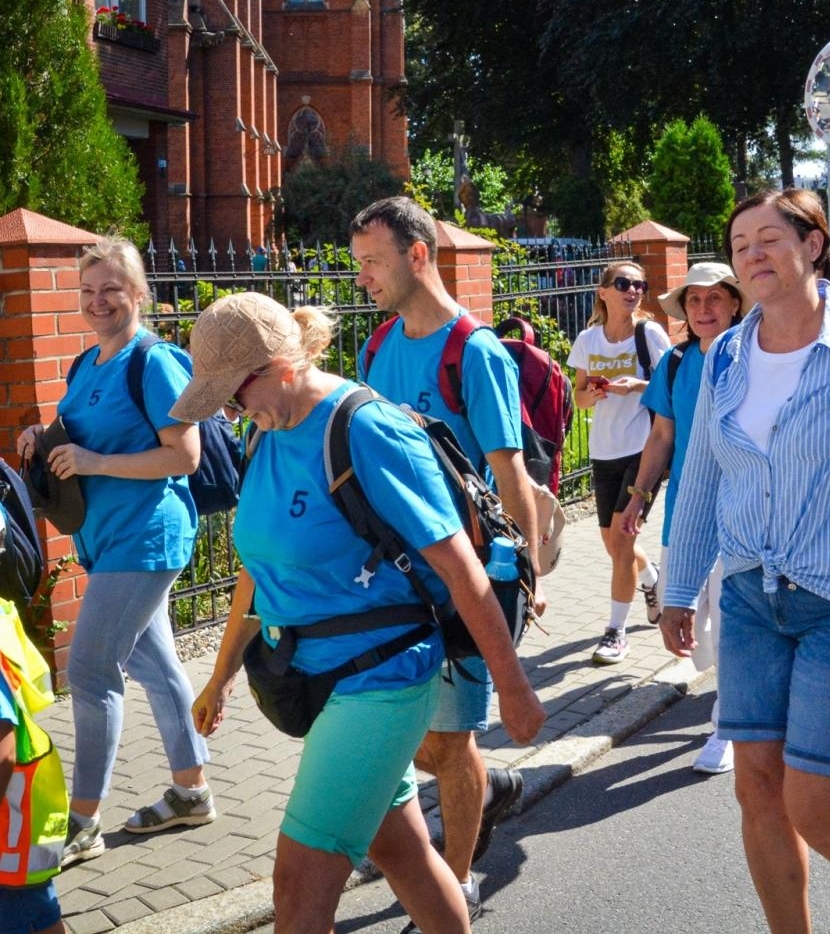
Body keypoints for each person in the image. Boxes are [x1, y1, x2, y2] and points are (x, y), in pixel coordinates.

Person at [179, 293, 545, 934]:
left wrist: (513, 687)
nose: (232, 412)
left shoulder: (366, 429)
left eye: (234, 395)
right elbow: (258, 568)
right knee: (400, 851)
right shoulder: (265, 431)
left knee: (295, 889)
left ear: (279, 366)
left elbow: (461, 570)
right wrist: (220, 673)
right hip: (316, 674)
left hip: (381, 677)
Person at [659, 189, 830, 934]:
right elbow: (703, 477)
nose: (753, 253)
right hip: (750, 595)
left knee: (813, 798)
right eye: (740, 241)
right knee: (755, 787)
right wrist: (679, 586)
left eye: (770, 238)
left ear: (813, 246)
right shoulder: (724, 356)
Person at [349, 195, 547, 921]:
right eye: (359, 263)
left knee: (451, 738)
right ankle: (486, 787)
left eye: (373, 261)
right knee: (427, 746)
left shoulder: (475, 350)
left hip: (465, 579)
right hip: (395, 580)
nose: (363, 277)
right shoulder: (376, 348)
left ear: (418, 254)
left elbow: (510, 472)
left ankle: (456, 878)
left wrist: (522, 575)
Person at [14, 238, 213, 867]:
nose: (99, 301)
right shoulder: (86, 363)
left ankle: (82, 821)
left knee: (94, 672)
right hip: (104, 538)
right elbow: (77, 433)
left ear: (139, 293)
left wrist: (96, 461)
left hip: (146, 537)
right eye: (89, 290)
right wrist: (39, 438)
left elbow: (185, 457)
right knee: (155, 668)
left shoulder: (154, 362)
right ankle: (192, 792)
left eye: (112, 289)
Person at [618, 262, 744, 775]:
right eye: (693, 301)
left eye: (715, 298)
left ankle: (727, 721)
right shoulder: (673, 364)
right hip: (688, 513)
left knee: (735, 618)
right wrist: (637, 497)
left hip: (744, 510)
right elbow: (661, 438)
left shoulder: (756, 358)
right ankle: (736, 702)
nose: (703, 309)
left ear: (736, 304)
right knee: (693, 620)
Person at [568, 261, 671, 664]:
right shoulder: (588, 340)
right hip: (603, 451)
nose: (633, 291)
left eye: (639, 285)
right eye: (624, 284)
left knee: (624, 538)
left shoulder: (650, 334)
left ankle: (615, 633)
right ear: (604, 291)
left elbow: (671, 386)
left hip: (642, 449)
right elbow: (577, 395)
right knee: (613, 544)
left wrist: (639, 385)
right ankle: (652, 581)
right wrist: (590, 396)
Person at [1, 596, 68, 934]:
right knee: (38, 912)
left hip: (10, 838)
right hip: (16, 834)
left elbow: (3, 751)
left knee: (28, 913)